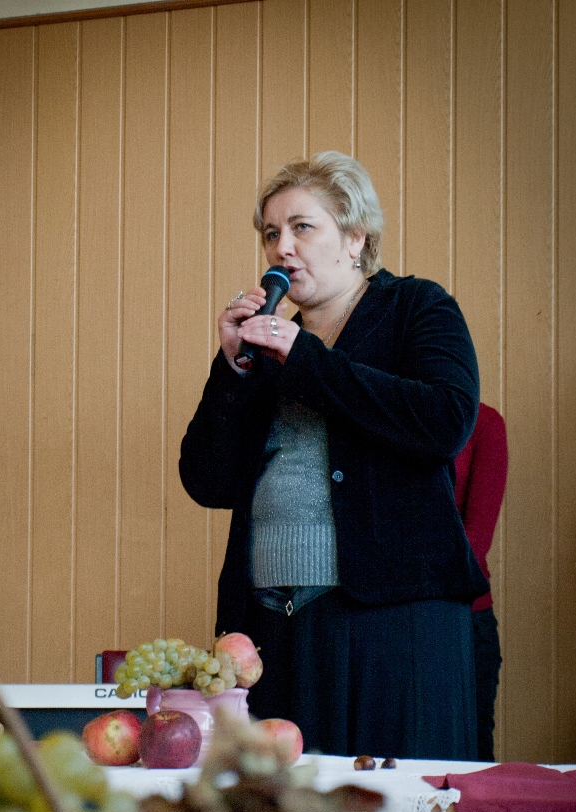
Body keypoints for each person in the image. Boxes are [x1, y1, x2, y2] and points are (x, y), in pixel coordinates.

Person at [179, 151, 489, 760]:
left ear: (355, 238)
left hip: (393, 621)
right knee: (284, 810)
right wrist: (232, 370)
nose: (282, 248)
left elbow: (445, 420)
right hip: (269, 623)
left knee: (386, 802)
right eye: (271, 233)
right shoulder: (267, 342)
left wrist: (306, 358)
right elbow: (207, 481)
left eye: (302, 227)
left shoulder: (416, 307)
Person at [453, 402, 508, 761]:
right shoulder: (390, 415)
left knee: (471, 757)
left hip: (466, 619)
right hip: (390, 621)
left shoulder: (483, 423)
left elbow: (476, 541)